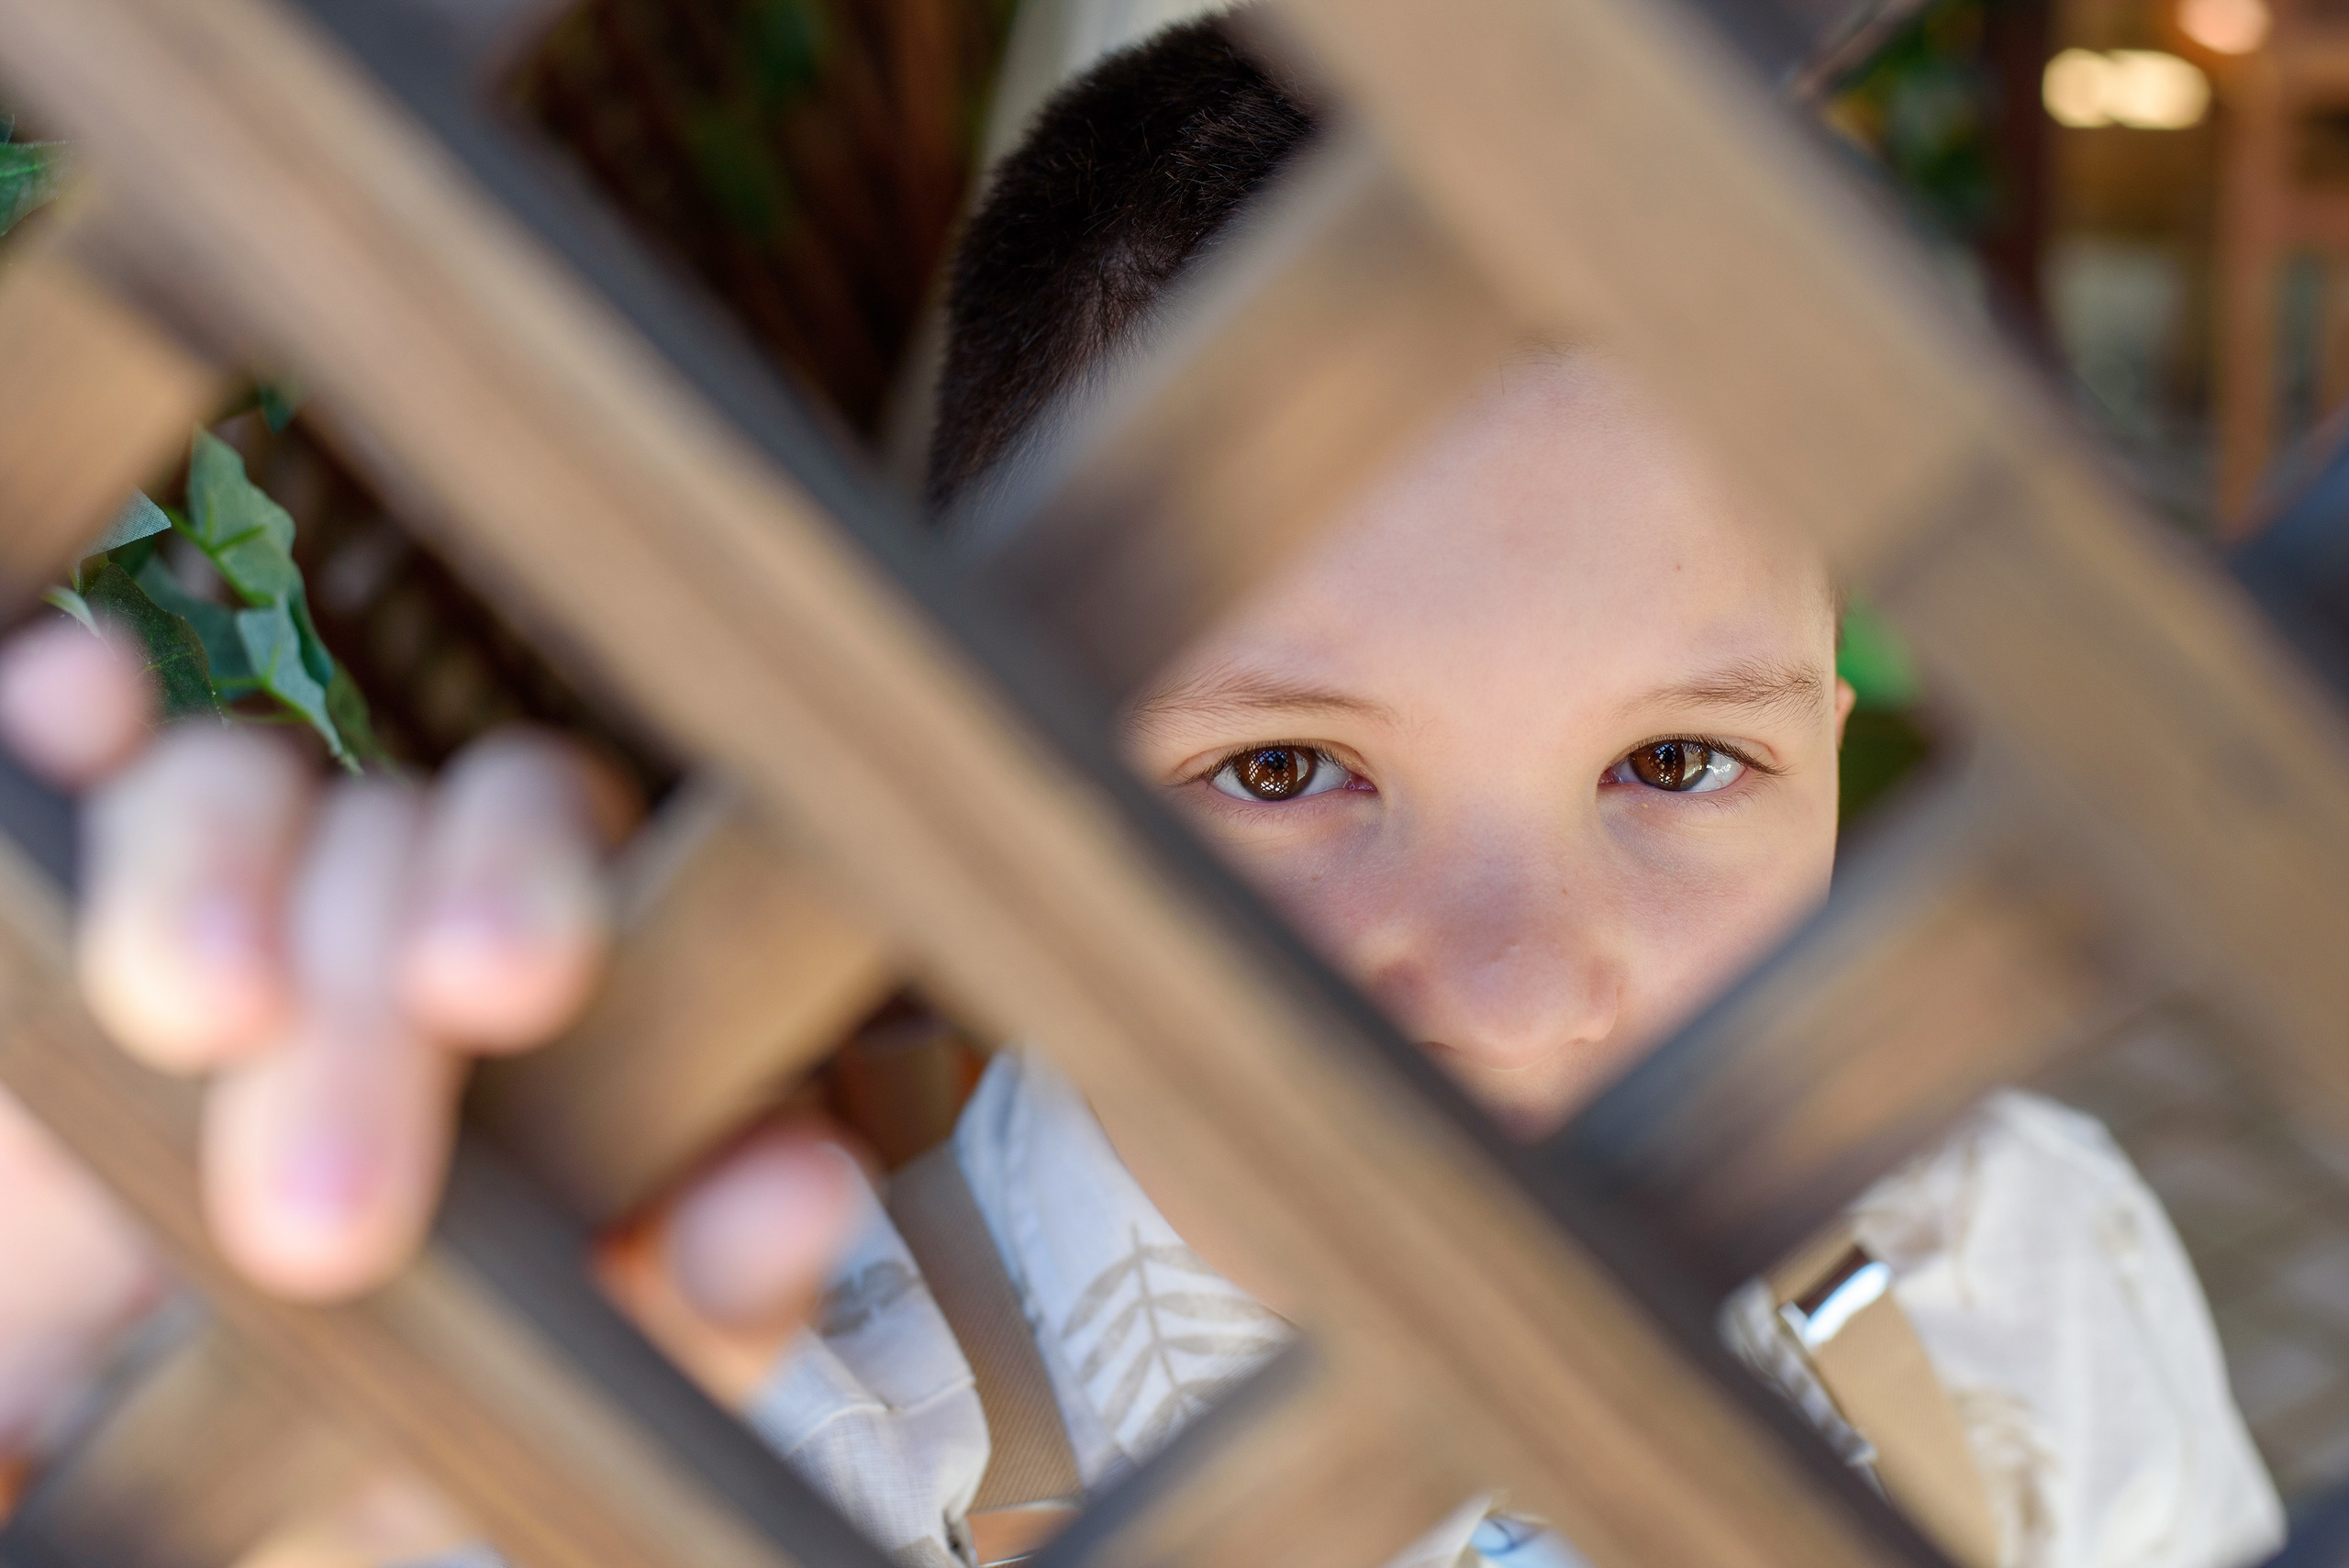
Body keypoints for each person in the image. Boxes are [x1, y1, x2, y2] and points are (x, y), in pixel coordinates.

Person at [0, 13, 2285, 1568]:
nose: (1505, 993)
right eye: (1283, 769)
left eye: (1680, 761)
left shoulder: (2008, 1258)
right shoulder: (782, 1423)